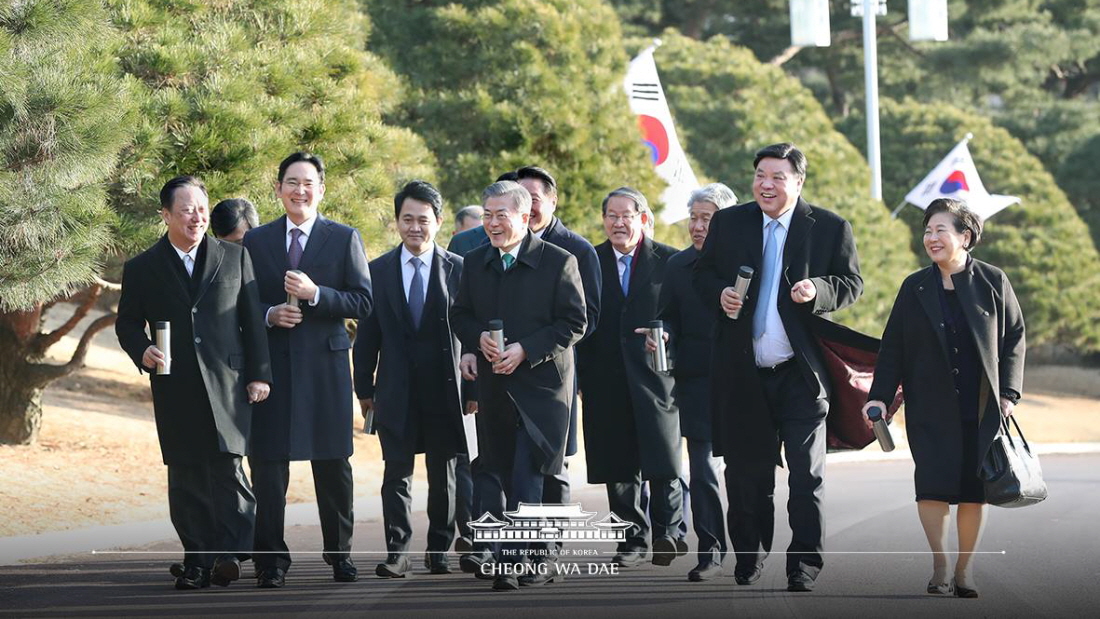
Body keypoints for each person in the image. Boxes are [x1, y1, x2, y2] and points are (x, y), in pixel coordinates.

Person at [694, 143, 863, 592]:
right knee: (748, 478)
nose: (766, 185)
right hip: (744, 373)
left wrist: (819, 289)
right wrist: (720, 295)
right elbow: (701, 274)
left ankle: (804, 565)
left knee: (807, 478)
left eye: (778, 177)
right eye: (760, 176)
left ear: (798, 181)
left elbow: (851, 283)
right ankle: (749, 558)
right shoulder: (730, 223)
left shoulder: (828, 227)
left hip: (800, 375)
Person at [116, 175, 272, 590]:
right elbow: (127, 323)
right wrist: (143, 349)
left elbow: (251, 322)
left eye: (202, 209)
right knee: (186, 476)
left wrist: (260, 374)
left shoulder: (234, 257)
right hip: (175, 384)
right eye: (186, 210)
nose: (197, 217)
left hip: (229, 382)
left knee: (229, 468)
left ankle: (230, 551)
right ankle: (197, 561)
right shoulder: (143, 267)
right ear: (165, 215)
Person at [864, 198, 1025, 598]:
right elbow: (893, 348)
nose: (931, 238)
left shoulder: (992, 281)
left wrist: (1008, 394)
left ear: (965, 236)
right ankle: (940, 564)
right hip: (929, 406)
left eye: (941, 230)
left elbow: (1015, 339)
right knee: (932, 485)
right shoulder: (914, 286)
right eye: (927, 231)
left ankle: (965, 570)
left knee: (974, 489)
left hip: (981, 406)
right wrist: (880, 397)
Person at [242, 152, 373, 588]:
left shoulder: (343, 237)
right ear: (278, 188)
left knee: (333, 467)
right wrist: (269, 314)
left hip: (326, 369)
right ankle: (271, 562)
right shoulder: (256, 241)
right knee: (268, 466)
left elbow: (362, 302)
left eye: (309, 183)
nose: (301, 191)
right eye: (292, 182)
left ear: (322, 189)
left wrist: (317, 294)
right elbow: (241, 305)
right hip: (272, 370)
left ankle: (340, 556)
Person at [449, 180, 587, 591]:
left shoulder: (559, 261)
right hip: (496, 387)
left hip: (543, 388)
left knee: (529, 471)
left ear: (524, 216)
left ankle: (513, 559)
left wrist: (526, 349)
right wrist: (478, 341)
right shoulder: (474, 262)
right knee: (502, 471)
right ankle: (536, 555)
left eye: (501, 215)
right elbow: (460, 314)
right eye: (487, 214)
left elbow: (574, 322)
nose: (492, 223)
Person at [353, 181, 467, 578]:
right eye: (407, 219)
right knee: (396, 474)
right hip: (395, 390)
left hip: (447, 391)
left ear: (438, 221)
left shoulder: (459, 270)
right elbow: (367, 337)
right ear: (397, 221)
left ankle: (439, 549)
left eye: (423, 219)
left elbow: (470, 334)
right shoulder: (377, 270)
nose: (415, 227)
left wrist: (472, 391)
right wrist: (364, 389)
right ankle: (397, 552)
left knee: (445, 474)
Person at [577, 187, 684, 569]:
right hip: (604, 376)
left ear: (643, 218)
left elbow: (683, 314)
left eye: (626, 215)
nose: (618, 223)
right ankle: (631, 541)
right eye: (611, 215)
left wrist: (668, 334)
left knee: (664, 458)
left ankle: (669, 533)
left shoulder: (669, 261)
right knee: (618, 465)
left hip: (656, 377)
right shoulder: (588, 260)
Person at [658, 183, 737, 582]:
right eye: (694, 217)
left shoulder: (746, 264)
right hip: (696, 381)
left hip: (743, 380)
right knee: (703, 469)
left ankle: (749, 548)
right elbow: (666, 314)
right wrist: (663, 332)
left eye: (707, 218)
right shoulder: (677, 266)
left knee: (744, 471)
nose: (698, 226)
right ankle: (710, 550)